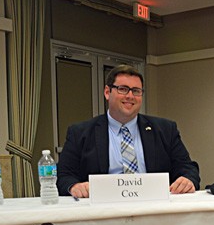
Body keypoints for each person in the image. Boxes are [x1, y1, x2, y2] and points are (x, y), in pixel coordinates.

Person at [57, 64, 200, 197]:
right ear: (107, 92)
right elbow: (63, 175)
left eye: (136, 91)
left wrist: (188, 179)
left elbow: (187, 167)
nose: (130, 96)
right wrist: (73, 186)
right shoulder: (80, 133)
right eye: (123, 89)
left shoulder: (165, 130)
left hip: (153, 210)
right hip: (102, 213)